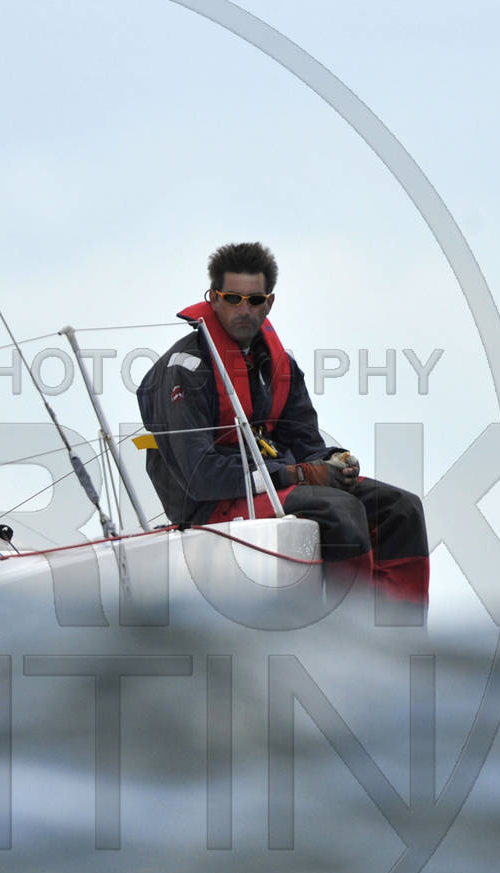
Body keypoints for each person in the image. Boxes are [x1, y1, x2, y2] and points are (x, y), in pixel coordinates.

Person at [135, 241, 430, 605]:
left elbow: (306, 443)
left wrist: (333, 462)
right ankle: (350, 630)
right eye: (232, 299)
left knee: (401, 509)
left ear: (269, 302)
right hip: (211, 502)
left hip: (278, 483)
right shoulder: (186, 369)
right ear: (213, 299)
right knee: (341, 510)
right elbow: (200, 476)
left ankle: (400, 629)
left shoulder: (279, 367)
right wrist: (296, 475)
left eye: (255, 300)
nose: (244, 310)